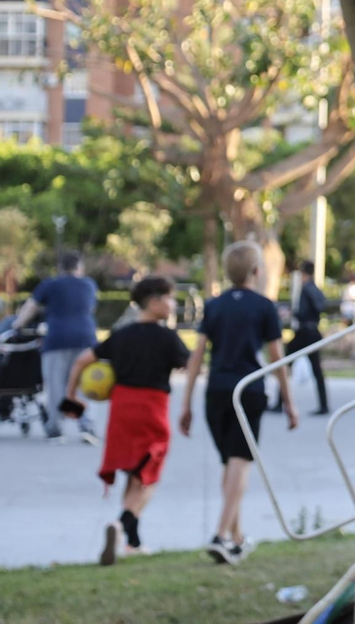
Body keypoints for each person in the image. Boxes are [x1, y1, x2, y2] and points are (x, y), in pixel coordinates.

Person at [178, 241, 299, 565]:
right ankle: (220, 534)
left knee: (231, 464)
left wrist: (186, 404)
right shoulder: (264, 307)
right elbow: (277, 359)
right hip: (248, 390)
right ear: (257, 271)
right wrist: (290, 402)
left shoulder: (213, 306)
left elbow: (197, 356)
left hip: (216, 390)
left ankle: (236, 538)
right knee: (240, 463)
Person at [63, 275, 190, 565]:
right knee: (150, 475)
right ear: (155, 301)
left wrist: (73, 397)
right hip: (151, 408)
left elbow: (83, 361)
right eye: (170, 298)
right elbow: (191, 363)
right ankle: (121, 524)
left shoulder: (121, 335)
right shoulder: (167, 337)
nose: (173, 304)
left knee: (135, 473)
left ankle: (132, 542)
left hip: (121, 408)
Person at [14, 252, 100, 445]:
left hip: (57, 339)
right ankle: (86, 424)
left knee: (56, 386)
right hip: (86, 339)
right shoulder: (89, 284)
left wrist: (18, 325)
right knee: (82, 384)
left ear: (60, 268)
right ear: (79, 267)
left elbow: (31, 306)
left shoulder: (50, 284)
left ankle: (56, 428)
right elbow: (90, 309)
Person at [280, 261, 329, 416]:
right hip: (310, 332)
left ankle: (278, 402)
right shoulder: (314, 288)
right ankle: (323, 404)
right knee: (316, 370)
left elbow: (311, 308)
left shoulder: (307, 289)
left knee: (286, 364)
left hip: (305, 332)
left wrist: (294, 313)